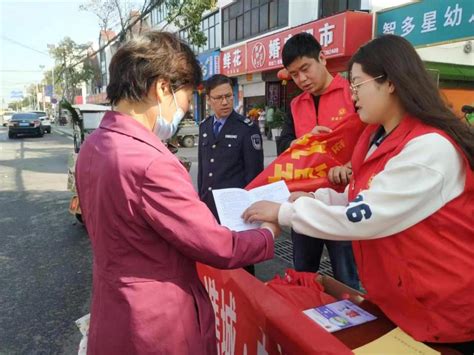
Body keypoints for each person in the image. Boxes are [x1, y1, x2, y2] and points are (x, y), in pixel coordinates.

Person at [243, 35, 474, 350]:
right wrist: (312, 198)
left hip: (442, 311)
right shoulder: (374, 138)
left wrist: (285, 212)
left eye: (357, 86)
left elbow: (364, 216)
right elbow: (357, 193)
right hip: (400, 301)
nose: (352, 97)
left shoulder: (429, 148)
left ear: (389, 82)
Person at [75, 32, 279, 355]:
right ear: (162, 88)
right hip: (157, 325)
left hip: (112, 312)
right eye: (185, 100)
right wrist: (269, 232)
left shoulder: (93, 146)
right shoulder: (151, 162)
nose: (184, 112)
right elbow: (216, 245)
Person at [277, 32, 359, 289]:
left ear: (322, 58)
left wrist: (350, 167)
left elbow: (371, 140)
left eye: (305, 69)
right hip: (303, 201)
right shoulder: (295, 104)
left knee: (347, 279)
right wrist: (302, 143)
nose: (301, 79)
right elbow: (284, 144)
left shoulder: (353, 94)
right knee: (304, 273)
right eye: (294, 74)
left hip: (341, 204)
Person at [198, 74, 264, 275]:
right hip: (210, 209)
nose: (225, 102)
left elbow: (254, 175)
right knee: (214, 263)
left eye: (228, 96)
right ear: (208, 99)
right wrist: (200, 202)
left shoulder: (246, 128)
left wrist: (250, 212)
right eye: (218, 98)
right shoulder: (205, 127)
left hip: (236, 212)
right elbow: (202, 169)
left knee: (240, 265)